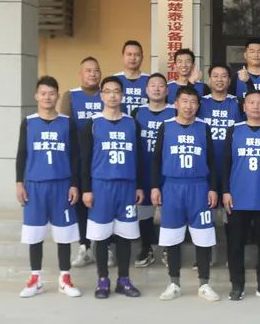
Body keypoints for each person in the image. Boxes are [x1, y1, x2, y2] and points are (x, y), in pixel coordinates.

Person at [152, 84, 221, 302]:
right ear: (176, 103)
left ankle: (204, 284)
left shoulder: (204, 127)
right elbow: (156, 159)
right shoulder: (166, 127)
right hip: (172, 187)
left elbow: (212, 160)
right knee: (172, 237)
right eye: (184, 101)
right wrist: (155, 186)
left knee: (203, 237)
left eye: (193, 102)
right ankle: (174, 283)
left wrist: (213, 187)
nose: (189, 106)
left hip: (199, 187)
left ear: (198, 105)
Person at [16, 75, 82, 298]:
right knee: (34, 234)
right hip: (35, 186)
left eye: (51, 93)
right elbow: (22, 154)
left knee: (64, 235)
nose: (47, 97)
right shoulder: (28, 122)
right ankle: (35, 279)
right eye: (43, 93)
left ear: (57, 96)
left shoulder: (67, 122)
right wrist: (19, 183)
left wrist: (74, 184)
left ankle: (65, 278)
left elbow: (74, 156)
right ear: (36, 96)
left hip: (62, 185)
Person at [80, 75, 143, 299]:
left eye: (117, 91)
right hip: (101, 186)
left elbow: (139, 158)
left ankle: (124, 279)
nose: (113, 95)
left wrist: (139, 186)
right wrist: (86, 189)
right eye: (108, 91)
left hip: (127, 186)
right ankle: (103, 279)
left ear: (122, 95)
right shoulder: (92, 124)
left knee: (125, 235)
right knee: (101, 236)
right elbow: (84, 160)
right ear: (101, 95)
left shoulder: (132, 123)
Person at [223, 90, 260, 301]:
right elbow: (226, 164)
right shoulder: (234, 130)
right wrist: (225, 191)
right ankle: (237, 285)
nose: (256, 107)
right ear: (244, 106)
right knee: (235, 245)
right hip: (238, 198)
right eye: (251, 102)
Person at [59, 56, 102, 267]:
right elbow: (64, 127)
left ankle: (105, 246)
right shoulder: (71, 96)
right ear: (80, 74)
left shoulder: (108, 94)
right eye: (88, 70)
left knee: (103, 202)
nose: (93, 74)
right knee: (80, 203)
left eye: (96, 70)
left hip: (103, 158)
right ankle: (84, 246)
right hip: (78, 158)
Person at [199, 63, 244, 262]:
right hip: (206, 166)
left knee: (230, 212)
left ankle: (230, 256)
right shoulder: (200, 102)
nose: (219, 79)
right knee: (206, 212)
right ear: (209, 80)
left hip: (232, 167)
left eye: (224, 76)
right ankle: (206, 255)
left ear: (229, 80)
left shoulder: (237, 103)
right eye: (215, 76)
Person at [132, 73, 175, 268]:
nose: (157, 89)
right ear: (146, 90)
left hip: (168, 170)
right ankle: (146, 247)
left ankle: (168, 248)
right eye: (153, 85)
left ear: (167, 90)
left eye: (161, 85)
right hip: (144, 169)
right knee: (144, 211)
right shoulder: (137, 113)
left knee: (169, 211)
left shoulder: (175, 111)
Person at [113, 40, 150, 114]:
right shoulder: (113, 80)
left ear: (142, 57)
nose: (133, 58)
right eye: (129, 54)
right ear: (123, 56)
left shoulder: (150, 80)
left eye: (137, 55)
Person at [236, 38, 260, 103]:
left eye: (259, 52)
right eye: (252, 52)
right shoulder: (237, 77)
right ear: (245, 55)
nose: (256, 55)